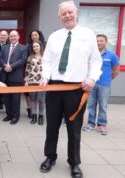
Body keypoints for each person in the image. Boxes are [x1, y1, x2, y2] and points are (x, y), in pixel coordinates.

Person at [39, 1, 102, 178]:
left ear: (76, 13)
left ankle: (74, 163)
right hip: (54, 87)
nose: (67, 16)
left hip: (76, 88)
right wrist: (45, 76)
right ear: (59, 17)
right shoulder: (54, 36)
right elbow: (47, 60)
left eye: (70, 12)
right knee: (52, 126)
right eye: (63, 13)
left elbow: (95, 61)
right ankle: (49, 157)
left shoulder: (88, 34)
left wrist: (92, 78)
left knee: (74, 128)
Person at [83, 34, 120, 135]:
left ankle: (102, 124)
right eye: (97, 41)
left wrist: (108, 79)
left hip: (104, 85)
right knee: (91, 105)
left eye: (101, 41)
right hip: (92, 84)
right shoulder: (92, 54)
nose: (99, 42)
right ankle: (90, 123)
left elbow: (116, 70)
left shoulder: (111, 55)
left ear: (106, 42)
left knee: (103, 105)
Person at [0, 30, 28, 125]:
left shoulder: (23, 48)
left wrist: (11, 67)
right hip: (5, 76)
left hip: (16, 77)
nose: (13, 38)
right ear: (9, 37)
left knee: (15, 98)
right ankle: (9, 114)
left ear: (18, 37)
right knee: (6, 98)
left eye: (15, 36)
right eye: (11, 36)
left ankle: (15, 116)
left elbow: (23, 60)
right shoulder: (4, 47)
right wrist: (4, 66)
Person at [25, 30, 47, 118]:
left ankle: (41, 116)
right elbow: (27, 70)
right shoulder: (30, 57)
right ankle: (34, 115)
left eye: (37, 46)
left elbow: (48, 70)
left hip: (42, 81)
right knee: (32, 100)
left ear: (40, 47)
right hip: (31, 81)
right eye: (34, 47)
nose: (35, 48)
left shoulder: (45, 57)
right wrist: (26, 81)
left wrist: (46, 79)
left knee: (41, 100)